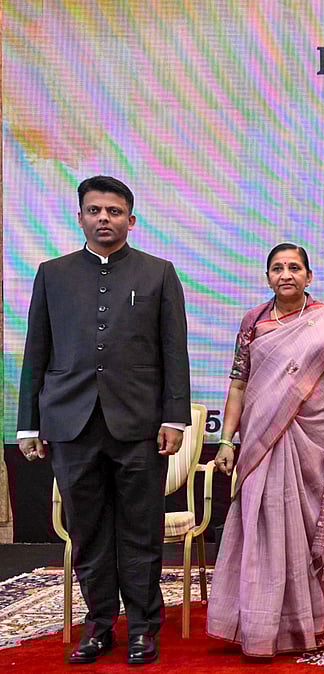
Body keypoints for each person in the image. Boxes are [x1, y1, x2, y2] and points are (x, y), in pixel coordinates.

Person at [17, 175, 191, 665]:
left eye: (114, 212)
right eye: (94, 211)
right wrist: (28, 425)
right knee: (88, 531)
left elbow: (173, 353)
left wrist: (174, 418)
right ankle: (98, 627)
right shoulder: (52, 273)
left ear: (131, 220)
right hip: (69, 425)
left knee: (140, 530)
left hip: (138, 424)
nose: (104, 219)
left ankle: (142, 628)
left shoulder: (159, 273)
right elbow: (37, 352)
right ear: (80, 217)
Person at [206, 243, 324, 657]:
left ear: (309, 276)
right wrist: (226, 440)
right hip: (263, 441)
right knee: (263, 531)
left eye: (294, 268)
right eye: (277, 268)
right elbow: (239, 385)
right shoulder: (254, 321)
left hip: (316, 442)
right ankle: (261, 626)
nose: (286, 275)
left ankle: (309, 622)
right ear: (267, 277)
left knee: (311, 530)